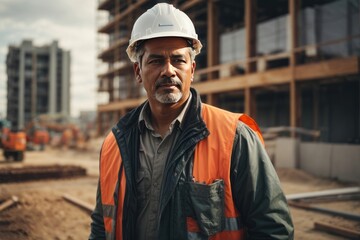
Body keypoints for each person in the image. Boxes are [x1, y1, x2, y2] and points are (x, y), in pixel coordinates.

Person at [89, 3, 294, 240]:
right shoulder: (115, 143)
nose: (168, 71)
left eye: (178, 60)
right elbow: (101, 225)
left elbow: (273, 229)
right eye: (155, 61)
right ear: (137, 71)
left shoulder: (234, 137)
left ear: (192, 69)